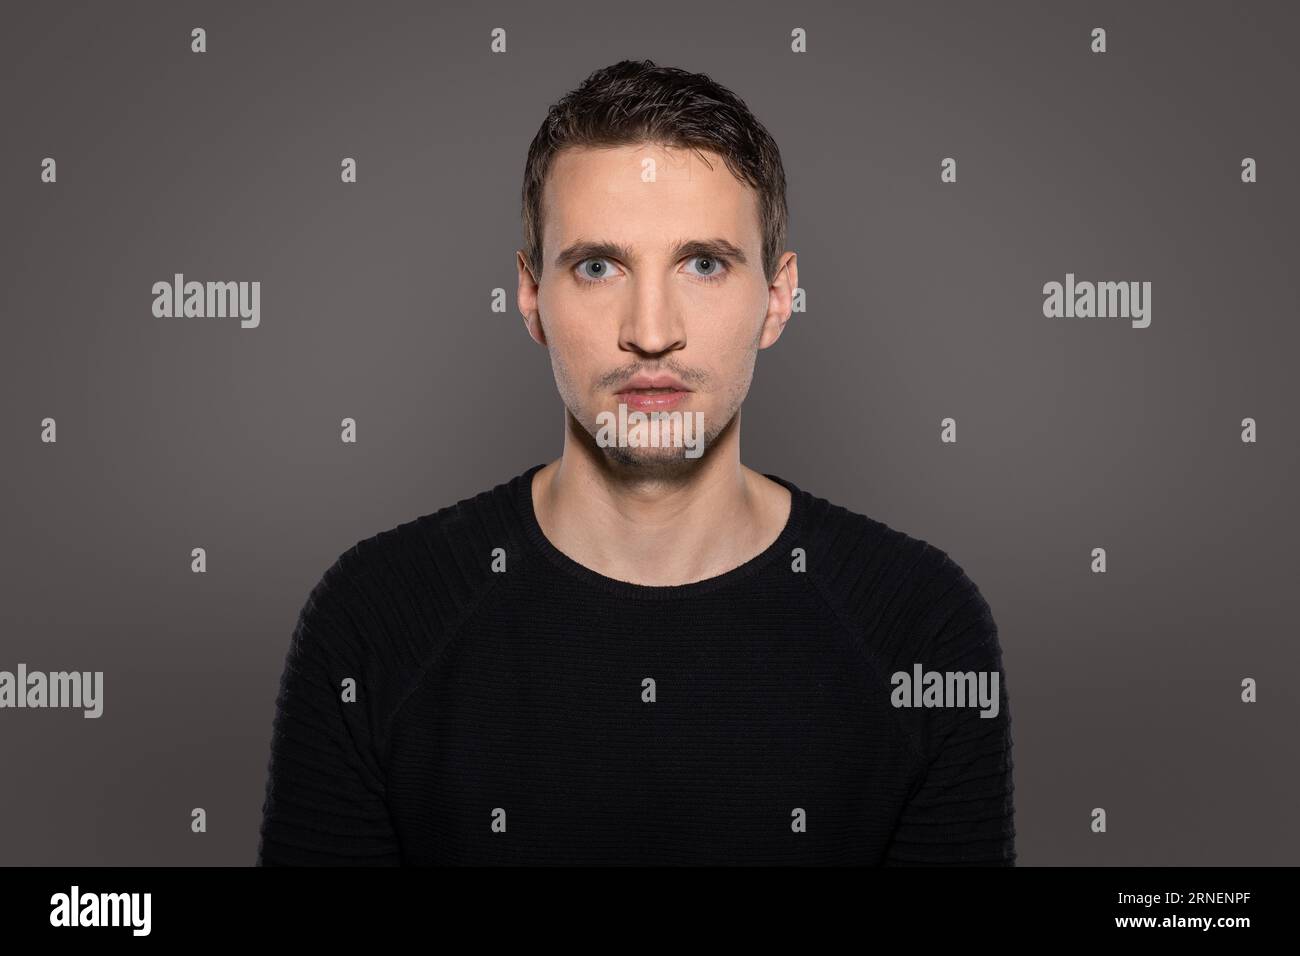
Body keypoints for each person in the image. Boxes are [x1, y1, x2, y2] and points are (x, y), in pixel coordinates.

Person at [256, 58, 1015, 866]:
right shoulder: (374, 619)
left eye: (704, 264)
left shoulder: (922, 627)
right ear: (531, 298)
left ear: (779, 297)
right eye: (597, 266)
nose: (651, 331)